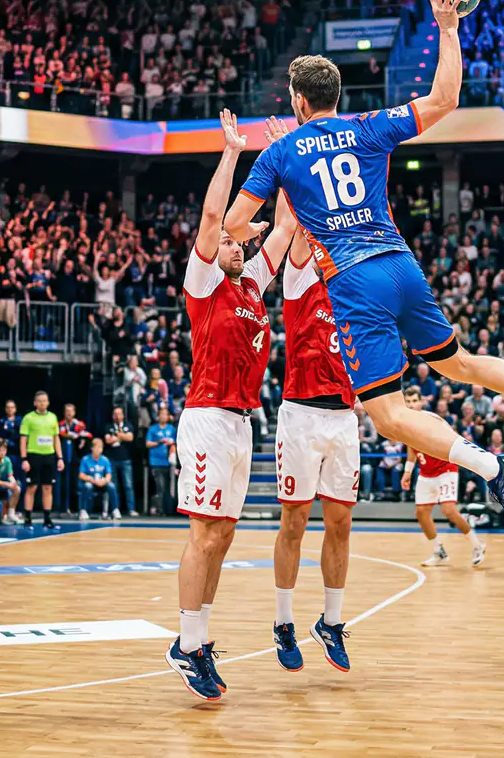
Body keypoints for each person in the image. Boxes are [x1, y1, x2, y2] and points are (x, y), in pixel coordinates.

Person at [226, 0, 504, 534]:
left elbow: (234, 225)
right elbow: (446, 99)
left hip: (354, 281)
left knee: (388, 415)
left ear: (298, 102)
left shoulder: (281, 151)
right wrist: (447, 27)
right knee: (460, 362)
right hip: (400, 263)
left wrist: (268, 215)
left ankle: (495, 465)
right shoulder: (366, 125)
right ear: (334, 97)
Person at [166, 110, 297, 702]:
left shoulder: (252, 286)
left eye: (239, 241)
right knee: (203, 535)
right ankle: (186, 643)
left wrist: (295, 150)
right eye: (225, 241)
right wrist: (233, 152)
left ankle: (198, 640)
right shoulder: (203, 285)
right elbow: (215, 215)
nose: (234, 243)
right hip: (207, 418)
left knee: (222, 537)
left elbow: (289, 224)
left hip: (242, 423)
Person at [271, 225, 361, 674]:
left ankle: (331, 621)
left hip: (344, 418)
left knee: (341, 522)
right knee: (295, 520)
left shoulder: (356, 297)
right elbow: (301, 230)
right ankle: (283, 622)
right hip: (302, 415)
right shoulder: (301, 281)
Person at [399, 385, 484, 568]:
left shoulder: (432, 419)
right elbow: (411, 448)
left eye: (415, 401)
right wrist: (407, 472)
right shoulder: (405, 423)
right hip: (426, 472)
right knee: (421, 513)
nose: (412, 405)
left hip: (445, 469)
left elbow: (452, 437)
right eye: (408, 402)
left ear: (421, 402)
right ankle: (439, 552)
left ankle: (477, 545)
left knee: (448, 510)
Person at [19, 391, 63, 529]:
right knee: (32, 487)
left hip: (49, 457)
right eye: (40, 401)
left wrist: (60, 457)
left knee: (48, 488)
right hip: (34, 456)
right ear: (35, 403)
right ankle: (28, 518)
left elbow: (56, 438)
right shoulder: (28, 418)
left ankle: (47, 519)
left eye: (45, 401)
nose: (42, 403)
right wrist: (24, 458)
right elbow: (23, 440)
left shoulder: (53, 418)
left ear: (48, 402)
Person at [104, 407, 138, 517]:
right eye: (115, 414)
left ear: (123, 415)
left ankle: (131, 509)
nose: (117, 416)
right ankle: (115, 508)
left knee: (128, 485)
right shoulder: (108, 426)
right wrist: (122, 436)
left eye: (119, 414)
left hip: (125, 459)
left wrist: (117, 436)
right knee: (114, 486)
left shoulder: (128, 425)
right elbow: (108, 440)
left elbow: (130, 438)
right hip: (112, 460)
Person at [146, 406, 178, 515]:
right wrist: (159, 442)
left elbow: (176, 442)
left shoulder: (171, 429)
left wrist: (172, 444)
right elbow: (148, 443)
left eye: (166, 414)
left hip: (169, 462)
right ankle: (159, 510)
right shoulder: (153, 429)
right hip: (156, 462)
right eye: (162, 414)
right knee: (160, 486)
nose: (164, 416)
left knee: (169, 488)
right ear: (158, 416)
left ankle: (168, 509)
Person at [78, 437, 118, 520]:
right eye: (97, 448)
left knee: (111, 486)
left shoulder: (105, 460)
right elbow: (81, 475)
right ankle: (83, 510)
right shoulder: (85, 459)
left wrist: (105, 480)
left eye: (100, 448)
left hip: (101, 483)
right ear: (92, 448)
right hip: (91, 482)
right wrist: (91, 479)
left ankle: (115, 510)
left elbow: (109, 474)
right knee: (87, 486)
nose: (99, 450)